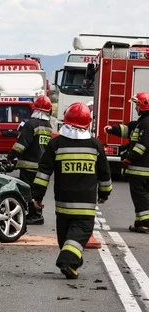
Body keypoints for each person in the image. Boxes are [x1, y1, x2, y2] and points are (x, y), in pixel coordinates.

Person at [32, 102, 112, 279]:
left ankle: (72, 261)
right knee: (80, 232)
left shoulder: (56, 144)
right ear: (87, 123)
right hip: (85, 204)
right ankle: (69, 261)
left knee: (65, 236)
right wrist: (105, 193)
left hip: (63, 203)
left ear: (65, 121)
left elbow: (43, 172)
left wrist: (37, 196)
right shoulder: (95, 145)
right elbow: (105, 173)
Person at [104, 92, 149, 233]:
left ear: (144, 105)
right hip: (141, 168)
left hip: (141, 168)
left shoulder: (146, 123)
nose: (136, 107)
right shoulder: (142, 122)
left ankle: (146, 223)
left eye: (137, 104)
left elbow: (142, 145)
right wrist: (113, 130)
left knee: (140, 196)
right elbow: (128, 130)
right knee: (142, 196)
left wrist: (130, 158)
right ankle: (140, 222)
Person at [8, 95, 53, 225]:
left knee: (27, 190)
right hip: (42, 166)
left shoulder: (31, 124)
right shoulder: (48, 126)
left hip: (29, 165)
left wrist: (11, 156)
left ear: (35, 109)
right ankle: (37, 214)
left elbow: (22, 144)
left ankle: (34, 215)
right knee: (37, 190)